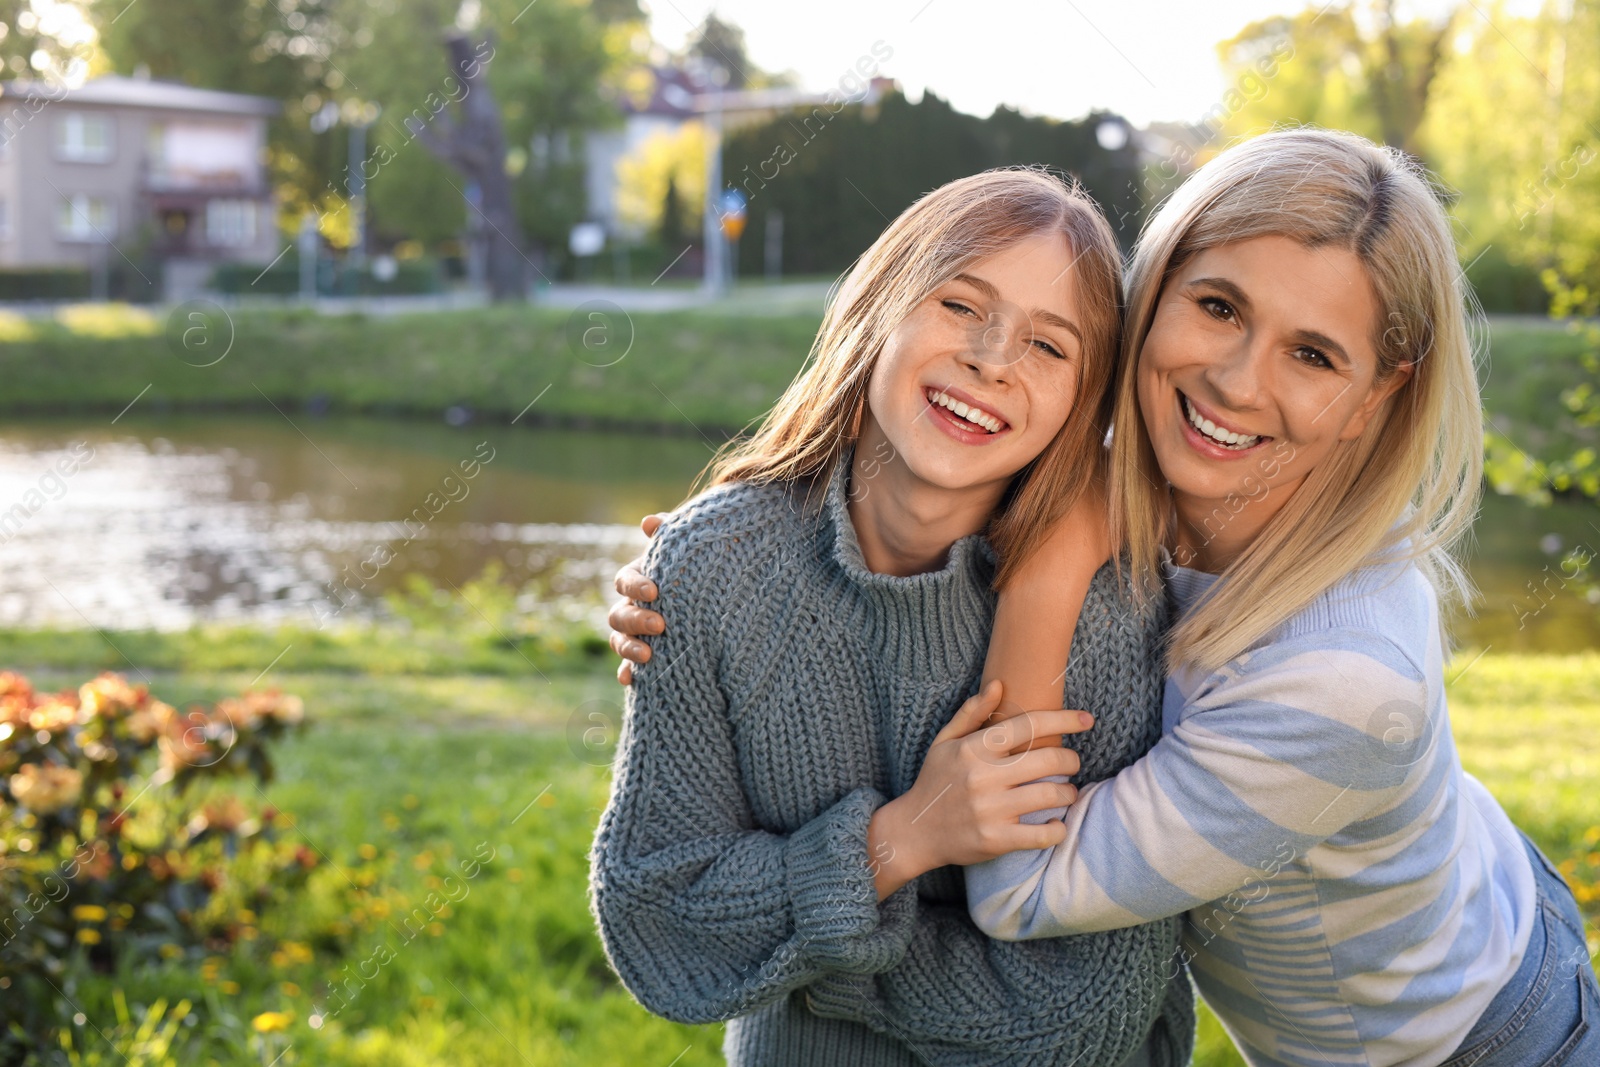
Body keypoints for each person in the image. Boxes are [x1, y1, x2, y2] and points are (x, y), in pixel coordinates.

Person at [960, 128, 1600, 1067]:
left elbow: (1023, 889)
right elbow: (893, 497)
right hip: (1488, 888)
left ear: (1380, 394)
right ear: (1161, 281)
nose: (1235, 382)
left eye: (1313, 356)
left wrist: (1049, 569)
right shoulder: (1148, 481)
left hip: (1477, 1043)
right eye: (1219, 306)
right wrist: (693, 578)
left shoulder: (1339, 681)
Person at [588, 168, 1196, 1067]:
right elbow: (662, 921)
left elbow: (1085, 1010)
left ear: (1084, 402)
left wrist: (802, 958)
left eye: (1049, 346)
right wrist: (904, 836)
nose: (992, 358)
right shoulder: (711, 566)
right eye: (960, 304)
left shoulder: (1106, 609)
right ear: (880, 304)